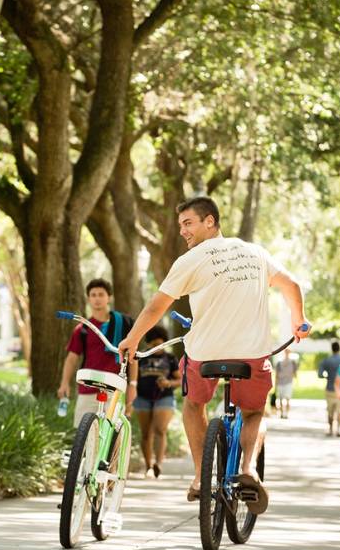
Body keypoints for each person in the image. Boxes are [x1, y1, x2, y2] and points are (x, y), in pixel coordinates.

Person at [118, 196, 310, 514]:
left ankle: (199, 477)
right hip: (251, 354)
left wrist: (132, 339)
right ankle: (249, 469)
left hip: (203, 355)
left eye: (188, 223)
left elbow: (156, 306)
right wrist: (298, 322)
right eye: (180, 225)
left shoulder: (190, 260)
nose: (182, 231)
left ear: (211, 221)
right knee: (254, 413)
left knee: (194, 405)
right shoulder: (255, 253)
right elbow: (291, 285)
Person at [57, 279, 138, 427]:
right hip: (88, 387)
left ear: (109, 297)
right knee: (83, 436)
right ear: (88, 299)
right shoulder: (83, 329)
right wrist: (64, 384)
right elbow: (71, 358)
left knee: (111, 435)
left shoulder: (124, 323)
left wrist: (133, 384)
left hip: (115, 388)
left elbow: (133, 356)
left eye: (101, 294)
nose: (97, 298)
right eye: (93, 295)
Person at [135, 325, 181, 478]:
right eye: (153, 345)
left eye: (160, 344)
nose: (157, 348)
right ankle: (148, 465)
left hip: (164, 396)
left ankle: (158, 464)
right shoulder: (140, 357)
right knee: (146, 433)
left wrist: (168, 383)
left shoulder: (170, 359)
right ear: (148, 344)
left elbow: (180, 379)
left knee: (160, 430)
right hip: (142, 397)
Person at [318, 341, 340, 436]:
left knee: (330, 411)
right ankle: (339, 429)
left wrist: (327, 376)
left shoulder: (326, 360)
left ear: (332, 349)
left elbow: (320, 374)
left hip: (329, 388)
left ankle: (330, 429)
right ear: (339, 349)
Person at [274, 349, 298, 419]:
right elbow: (276, 375)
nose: (287, 353)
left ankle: (286, 414)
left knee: (288, 399)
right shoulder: (279, 362)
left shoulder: (293, 362)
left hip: (288, 383)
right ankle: (282, 414)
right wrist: (276, 385)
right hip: (280, 383)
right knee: (281, 399)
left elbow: (295, 373)